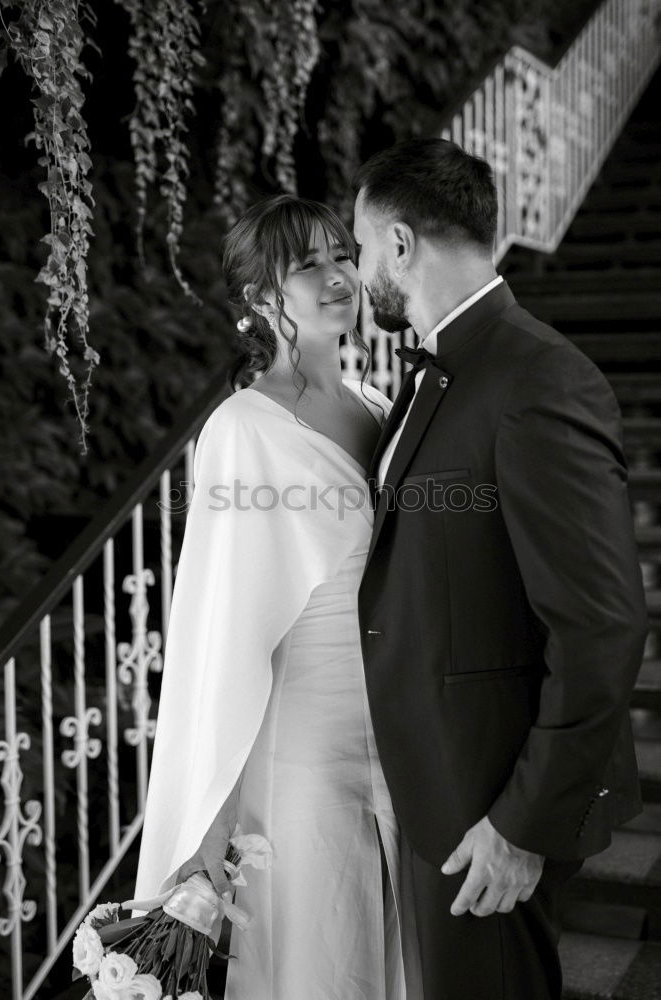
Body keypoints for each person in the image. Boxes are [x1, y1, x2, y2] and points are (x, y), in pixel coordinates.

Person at [352, 137, 648, 1000]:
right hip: (440, 780)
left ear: (400, 246)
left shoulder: (534, 377)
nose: (359, 266)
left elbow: (601, 622)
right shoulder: (443, 371)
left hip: (489, 802)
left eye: (362, 243)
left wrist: (521, 824)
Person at [133, 194, 424, 999]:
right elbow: (223, 633)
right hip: (302, 746)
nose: (338, 276)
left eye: (341, 254)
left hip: (401, 732)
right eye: (309, 265)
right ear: (263, 298)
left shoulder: (377, 404)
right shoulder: (242, 430)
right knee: (323, 963)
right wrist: (212, 822)